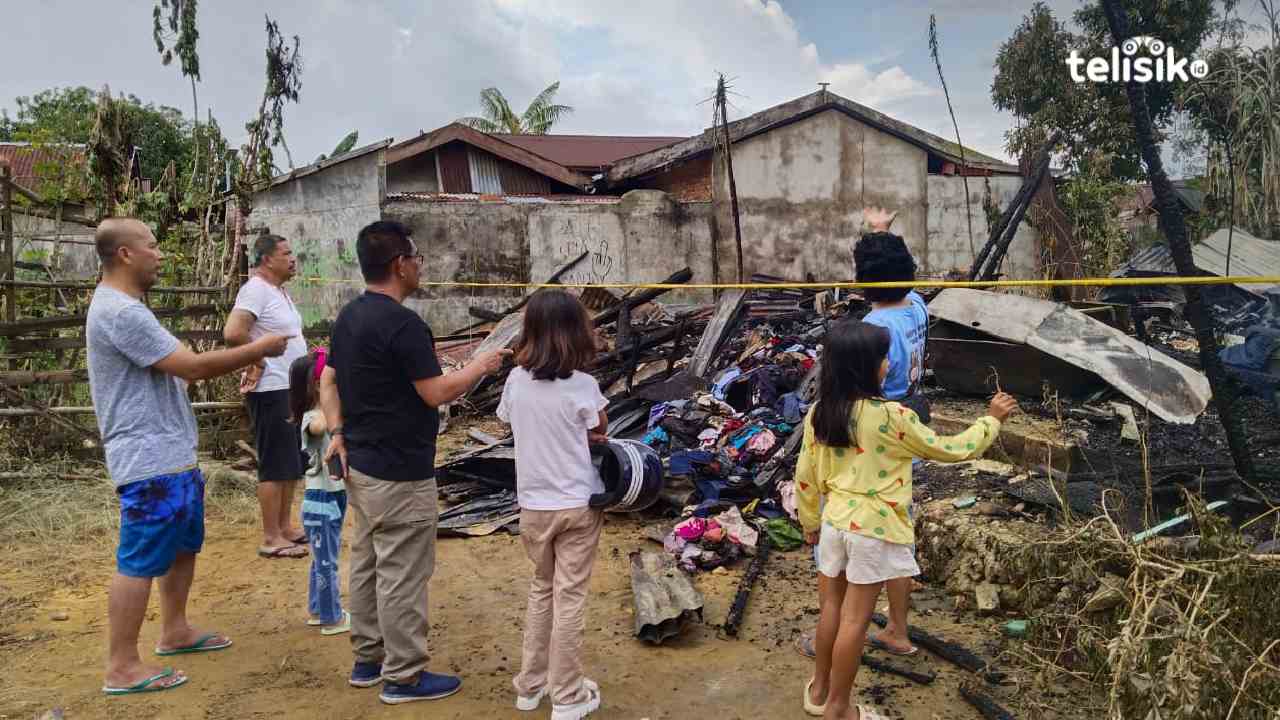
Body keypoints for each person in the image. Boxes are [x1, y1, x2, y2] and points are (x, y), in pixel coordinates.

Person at [87, 218, 291, 695]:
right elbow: (194, 367)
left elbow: (177, 359)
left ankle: (174, 630)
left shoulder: (132, 308)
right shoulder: (121, 313)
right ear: (125, 255)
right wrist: (259, 348)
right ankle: (121, 666)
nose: (160, 255)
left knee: (182, 545)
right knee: (139, 558)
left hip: (170, 452)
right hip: (147, 457)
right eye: (152, 246)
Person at [319, 220, 509, 705]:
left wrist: (338, 433)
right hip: (400, 469)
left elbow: (329, 381)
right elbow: (436, 392)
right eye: (416, 257)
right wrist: (480, 366)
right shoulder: (404, 325)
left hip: (362, 463)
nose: (420, 265)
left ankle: (368, 658)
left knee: (367, 561)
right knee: (403, 571)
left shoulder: (349, 318)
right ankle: (403, 676)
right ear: (400, 264)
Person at [796, 320, 1017, 720]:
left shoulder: (819, 413)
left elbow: (806, 477)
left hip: (834, 522)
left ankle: (819, 688)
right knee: (855, 622)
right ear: (867, 367)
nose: (888, 363)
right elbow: (950, 449)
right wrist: (992, 421)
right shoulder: (892, 417)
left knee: (830, 607)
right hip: (874, 530)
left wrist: (810, 522)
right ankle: (840, 709)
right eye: (883, 358)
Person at [797, 207, 931, 660]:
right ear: (907, 276)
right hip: (909, 415)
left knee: (849, 514)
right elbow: (895, 278)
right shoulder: (918, 308)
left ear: (861, 282)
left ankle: (834, 626)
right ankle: (897, 628)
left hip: (870, 425)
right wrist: (882, 234)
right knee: (896, 525)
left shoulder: (872, 331)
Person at [497, 290, 608, 720]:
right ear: (577, 332)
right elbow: (597, 427)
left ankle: (530, 685)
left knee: (542, 588)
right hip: (577, 504)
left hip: (533, 505)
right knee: (571, 596)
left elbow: (508, 422)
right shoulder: (584, 385)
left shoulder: (515, 382)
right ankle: (567, 696)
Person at [224, 234, 310, 559]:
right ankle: (271, 537)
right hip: (271, 388)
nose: (292, 258)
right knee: (274, 462)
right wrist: (257, 359)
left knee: (289, 461)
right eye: (286, 253)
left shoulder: (278, 291)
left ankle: (285, 527)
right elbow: (233, 332)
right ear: (266, 259)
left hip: (289, 387)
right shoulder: (255, 290)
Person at [289, 348, 350, 636]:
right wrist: (334, 401)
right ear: (318, 386)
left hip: (332, 497)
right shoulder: (311, 417)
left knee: (322, 559)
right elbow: (319, 426)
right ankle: (331, 617)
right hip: (321, 500)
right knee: (327, 563)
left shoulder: (323, 412)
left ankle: (317, 609)